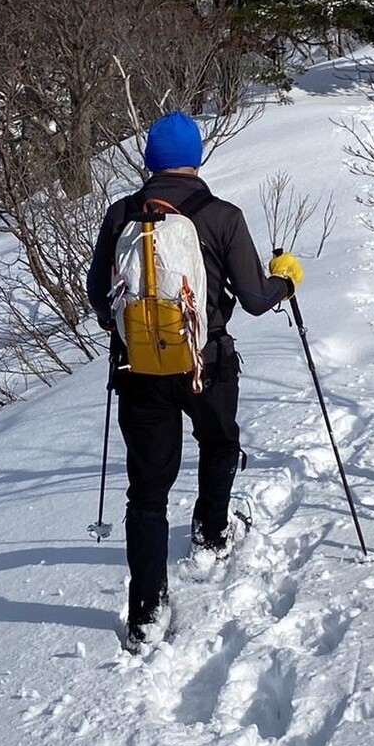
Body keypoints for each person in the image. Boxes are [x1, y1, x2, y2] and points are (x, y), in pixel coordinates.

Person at [86, 111, 303, 650]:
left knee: (148, 492)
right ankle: (210, 534)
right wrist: (287, 280)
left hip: (138, 372)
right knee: (219, 442)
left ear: (148, 162)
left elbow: (98, 303)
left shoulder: (120, 217)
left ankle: (146, 611)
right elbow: (254, 300)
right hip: (207, 366)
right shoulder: (221, 216)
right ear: (197, 157)